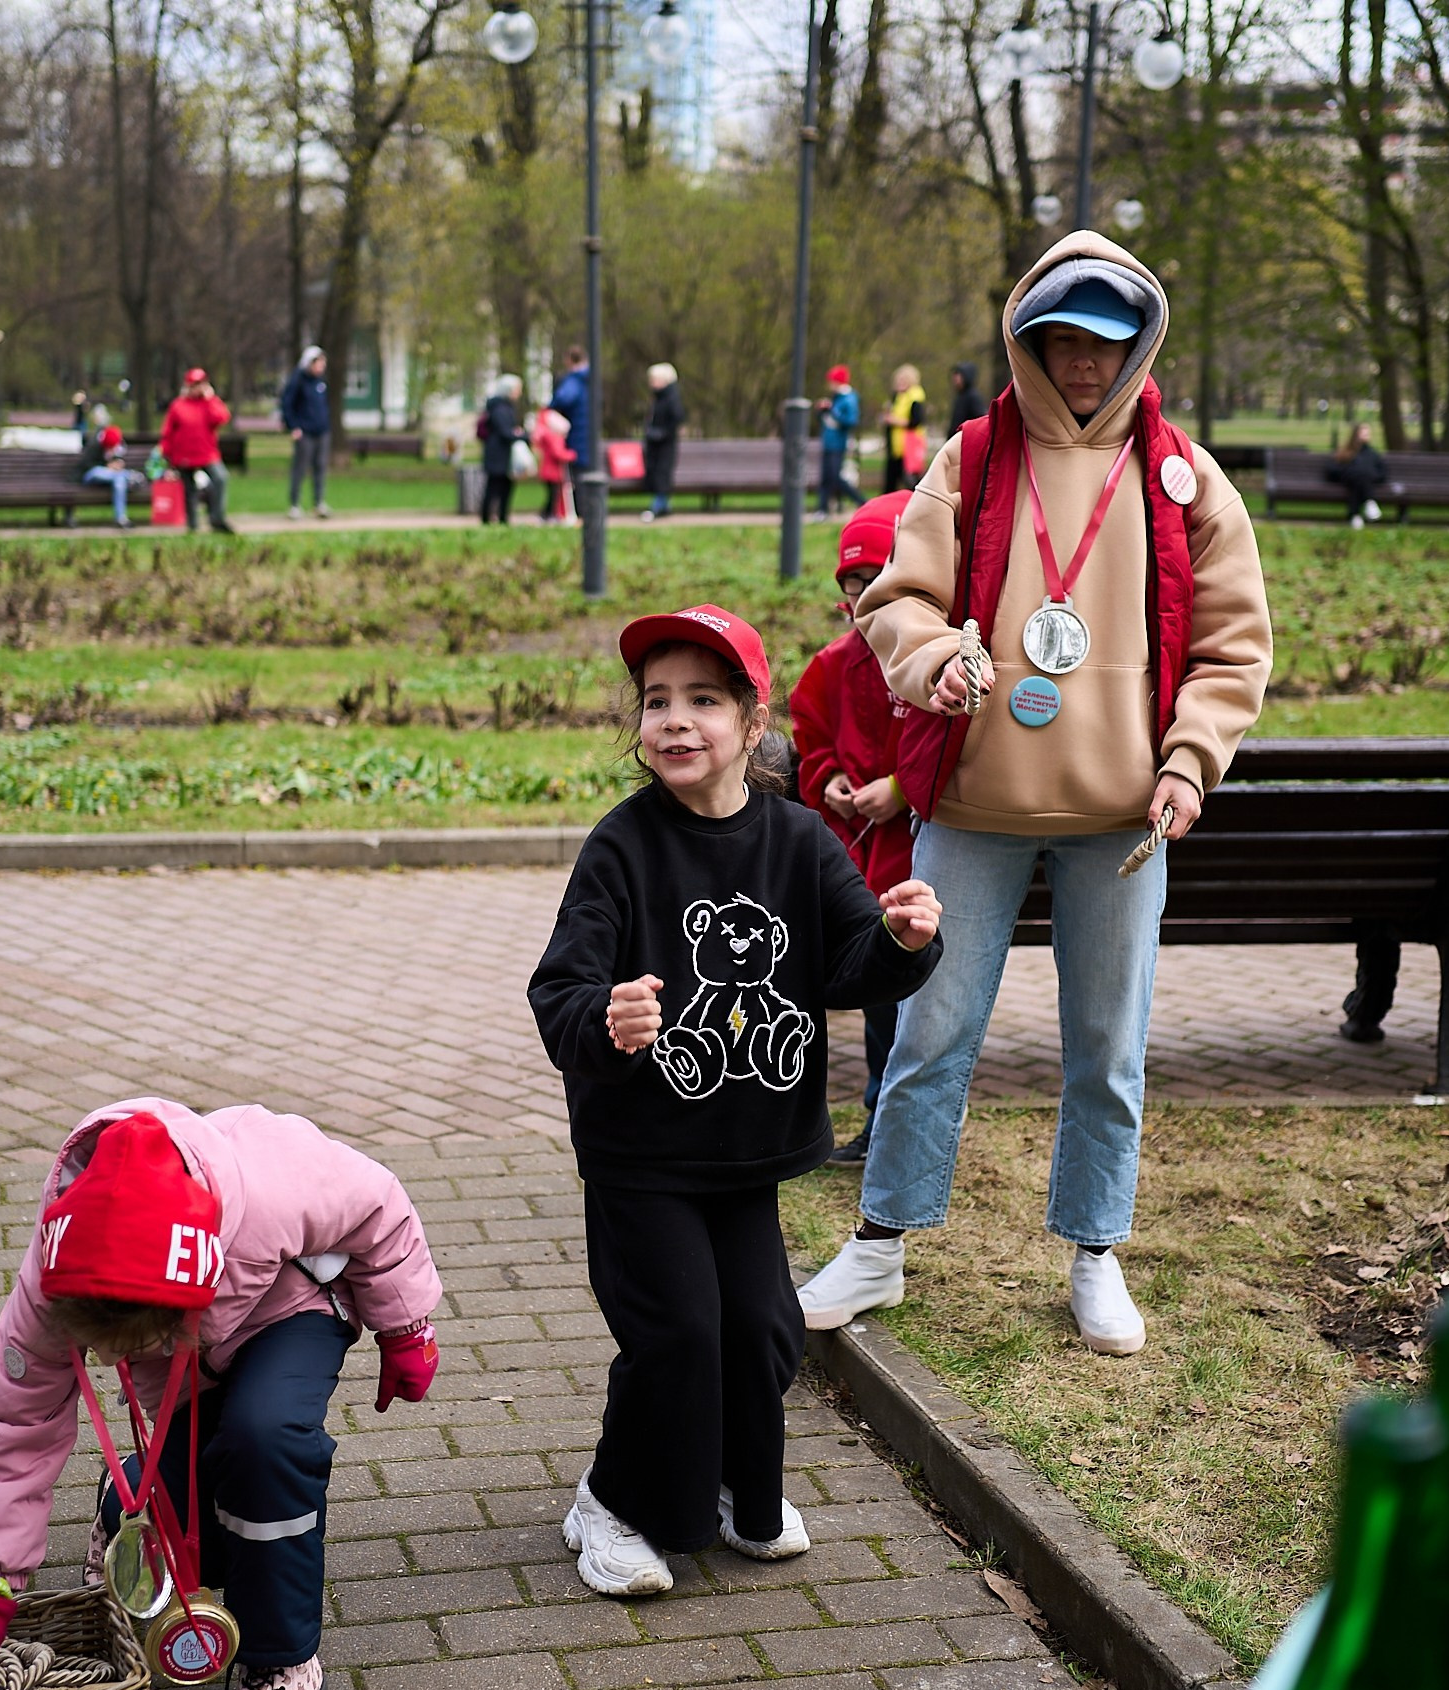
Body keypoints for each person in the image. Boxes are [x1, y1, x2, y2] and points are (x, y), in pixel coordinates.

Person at [799, 233, 1272, 1358]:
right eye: (1063, 341)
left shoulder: (1185, 478)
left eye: (1108, 346)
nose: (1084, 367)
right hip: (970, 806)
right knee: (929, 1030)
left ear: (1139, 346)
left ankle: (1095, 1252)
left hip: (1119, 820)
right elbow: (897, 601)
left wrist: (1186, 762)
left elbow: (1233, 647)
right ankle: (879, 1242)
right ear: (1029, 338)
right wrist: (928, 665)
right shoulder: (968, 457)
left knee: (1107, 1045)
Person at [528, 604, 943, 1597]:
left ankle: (735, 1494)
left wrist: (904, 939)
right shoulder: (622, 848)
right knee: (678, 1334)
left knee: (761, 1331)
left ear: (752, 727)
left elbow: (850, 963)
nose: (674, 720)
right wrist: (607, 1019)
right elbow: (559, 990)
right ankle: (616, 1503)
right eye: (657, 701)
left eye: (703, 701)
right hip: (641, 1153)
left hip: (744, 1151)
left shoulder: (798, 841)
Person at [0, 1098, 442, 1690]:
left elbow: (382, 1207)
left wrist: (405, 1329)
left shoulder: (271, 1180)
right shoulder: (53, 1277)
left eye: (132, 1346)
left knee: (263, 1441)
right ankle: (127, 1496)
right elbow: (15, 1423)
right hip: (187, 1358)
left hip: (290, 1308)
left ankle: (281, 1658)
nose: (112, 1364)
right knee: (202, 1527)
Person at [788, 492, 919, 1170]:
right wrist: (831, 778)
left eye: (877, 585)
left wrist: (899, 790)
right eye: (854, 589)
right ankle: (804, 1109)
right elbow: (810, 738)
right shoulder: (834, 665)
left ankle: (885, 1116)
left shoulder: (930, 663)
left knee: (889, 992)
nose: (865, 602)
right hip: (849, 858)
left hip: (910, 858)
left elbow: (949, 747)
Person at [164, 367, 235, 534]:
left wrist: (211, 399)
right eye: (194, 384)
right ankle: (193, 524)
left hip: (206, 453)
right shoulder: (178, 405)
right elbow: (168, 431)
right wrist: (168, 454)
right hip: (184, 454)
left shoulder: (208, 403)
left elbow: (222, 418)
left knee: (220, 478)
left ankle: (217, 518)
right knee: (190, 490)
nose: (197, 388)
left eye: (200, 384)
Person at [279, 345, 332, 520]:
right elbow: (287, 404)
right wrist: (293, 426)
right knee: (300, 469)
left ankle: (318, 503)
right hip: (305, 432)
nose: (322, 366)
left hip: (321, 431)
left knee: (320, 467)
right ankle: (294, 504)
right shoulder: (298, 380)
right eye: (319, 363)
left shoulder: (321, 382)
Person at [477, 375, 526, 525]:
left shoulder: (502, 407)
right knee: (495, 489)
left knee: (502, 488)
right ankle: (489, 518)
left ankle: (501, 517)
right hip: (498, 456)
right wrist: (523, 435)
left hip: (501, 455)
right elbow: (505, 432)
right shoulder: (500, 409)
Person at [814, 365, 861, 518]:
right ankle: (822, 509)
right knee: (826, 477)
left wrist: (831, 410)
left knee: (835, 477)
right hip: (828, 442)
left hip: (838, 444)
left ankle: (862, 502)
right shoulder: (836, 398)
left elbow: (850, 421)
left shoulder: (848, 398)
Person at [1325, 422, 1388, 528]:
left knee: (1360, 477)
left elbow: (1382, 473)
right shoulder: (1346, 452)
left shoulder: (1372, 454)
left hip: (1363, 482)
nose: (1366, 436)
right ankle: (1369, 502)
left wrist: (1368, 474)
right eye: (1363, 434)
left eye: (1367, 434)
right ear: (1355, 435)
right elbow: (1332, 469)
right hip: (1348, 479)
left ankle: (1355, 515)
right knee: (1357, 475)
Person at [642, 363, 684, 519]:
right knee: (656, 473)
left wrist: (662, 433)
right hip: (655, 444)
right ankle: (663, 505)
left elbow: (677, 418)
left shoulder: (671, 398)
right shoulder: (658, 397)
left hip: (665, 444)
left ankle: (659, 505)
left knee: (662, 474)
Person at [880, 364, 928, 494]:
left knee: (911, 480)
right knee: (891, 480)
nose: (899, 383)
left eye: (903, 380)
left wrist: (894, 420)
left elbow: (916, 421)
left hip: (909, 447)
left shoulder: (915, 397)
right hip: (896, 446)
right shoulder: (898, 397)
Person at [82, 413, 136, 527]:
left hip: (111, 477)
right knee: (109, 473)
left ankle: (121, 518)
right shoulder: (94, 445)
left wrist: (118, 464)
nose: (112, 450)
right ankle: (130, 476)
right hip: (90, 475)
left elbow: (118, 460)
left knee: (119, 478)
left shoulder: (118, 446)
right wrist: (107, 467)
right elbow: (87, 466)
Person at [551, 344, 592, 472]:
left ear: (569, 360)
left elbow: (561, 400)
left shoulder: (574, 380)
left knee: (577, 477)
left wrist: (550, 409)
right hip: (587, 436)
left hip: (576, 437)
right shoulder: (590, 379)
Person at [533, 405, 575, 523]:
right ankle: (548, 515)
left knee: (552, 494)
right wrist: (570, 455)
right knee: (553, 495)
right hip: (552, 472)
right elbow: (558, 453)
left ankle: (550, 514)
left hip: (549, 471)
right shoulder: (554, 438)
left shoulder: (549, 437)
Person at [946, 361, 989, 438]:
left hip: (967, 439)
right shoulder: (960, 396)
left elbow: (981, 420)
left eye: (958, 375)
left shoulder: (973, 397)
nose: (955, 378)